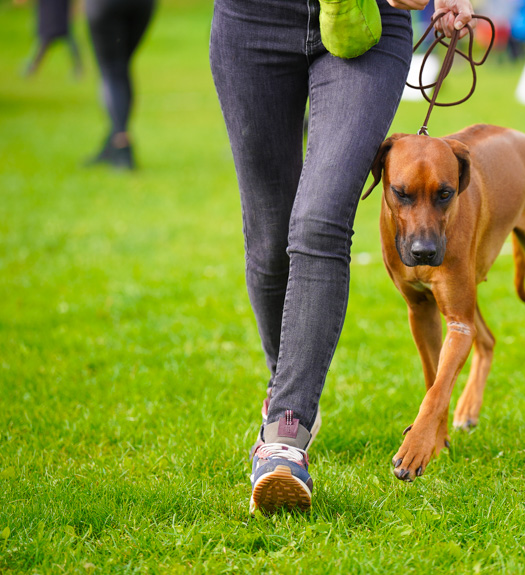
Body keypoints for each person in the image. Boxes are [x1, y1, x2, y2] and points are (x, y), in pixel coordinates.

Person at [210, 0, 474, 514]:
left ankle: (286, 429)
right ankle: (286, 380)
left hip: (369, 24)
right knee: (270, 236)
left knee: (320, 219)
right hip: (252, 21)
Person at [85, 0, 156, 170]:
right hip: (142, 5)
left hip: (106, 5)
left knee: (113, 70)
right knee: (121, 67)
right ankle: (113, 141)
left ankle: (121, 144)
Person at [23, 0, 83, 77]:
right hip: (50, 18)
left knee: (71, 45)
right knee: (43, 45)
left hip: (60, 18)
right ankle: (31, 68)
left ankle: (78, 69)